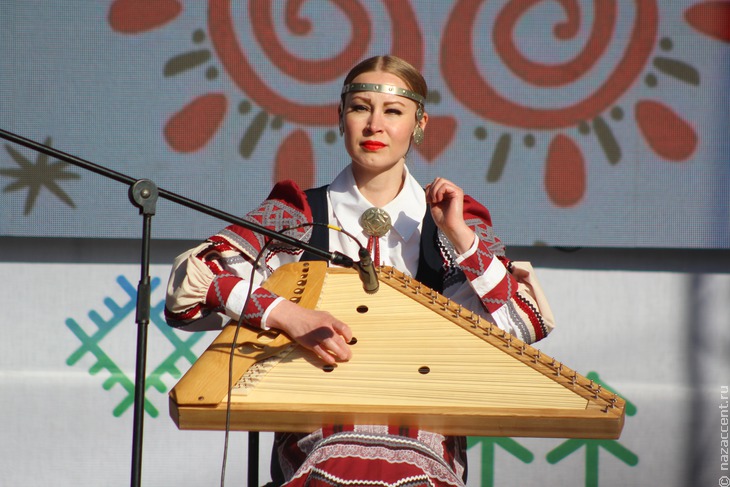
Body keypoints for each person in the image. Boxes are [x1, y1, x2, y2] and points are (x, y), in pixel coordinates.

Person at [166, 55, 554, 487]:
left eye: (393, 111)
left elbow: (522, 323)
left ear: (418, 123)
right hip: (317, 427)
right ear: (341, 117)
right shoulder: (298, 214)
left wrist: (461, 237)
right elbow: (193, 285)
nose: (374, 125)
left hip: (424, 433)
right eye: (360, 108)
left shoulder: (454, 224)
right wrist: (287, 316)